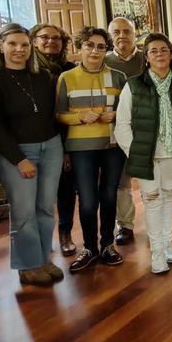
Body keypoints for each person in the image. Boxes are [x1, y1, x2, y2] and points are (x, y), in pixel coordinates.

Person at [0, 23, 64, 287]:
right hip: (16, 153)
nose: (20, 50)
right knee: (24, 211)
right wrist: (19, 159)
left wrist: (61, 150)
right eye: (13, 44)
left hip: (50, 146)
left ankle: (42, 258)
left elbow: (53, 117)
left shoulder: (42, 78)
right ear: (0, 46)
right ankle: (28, 265)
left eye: (25, 45)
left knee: (45, 208)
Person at [115, 34, 172, 274]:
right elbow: (122, 124)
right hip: (146, 154)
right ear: (146, 57)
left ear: (171, 54)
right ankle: (156, 253)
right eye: (153, 51)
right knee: (151, 200)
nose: (159, 54)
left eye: (164, 50)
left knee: (167, 197)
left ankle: (167, 245)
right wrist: (135, 150)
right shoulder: (134, 84)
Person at [56, 26, 128, 272]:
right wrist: (79, 117)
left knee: (109, 197)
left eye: (100, 46)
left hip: (112, 145)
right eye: (89, 45)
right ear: (80, 47)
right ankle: (89, 248)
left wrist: (116, 114)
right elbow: (59, 114)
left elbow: (129, 113)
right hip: (80, 148)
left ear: (106, 49)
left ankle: (107, 245)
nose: (95, 51)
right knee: (87, 201)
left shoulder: (118, 77)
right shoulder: (66, 78)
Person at [31, 23, 77, 256]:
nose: (50, 41)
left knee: (66, 190)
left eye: (56, 38)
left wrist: (67, 149)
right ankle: (42, 237)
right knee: (40, 195)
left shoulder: (70, 69)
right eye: (44, 37)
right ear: (34, 41)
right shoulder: (28, 70)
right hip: (36, 140)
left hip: (66, 137)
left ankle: (65, 233)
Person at [105, 16, 146, 245]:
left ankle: (158, 224)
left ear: (135, 33)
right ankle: (125, 226)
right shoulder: (104, 61)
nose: (122, 36)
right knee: (121, 182)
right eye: (116, 32)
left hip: (145, 128)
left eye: (126, 31)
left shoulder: (146, 58)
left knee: (152, 180)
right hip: (115, 130)